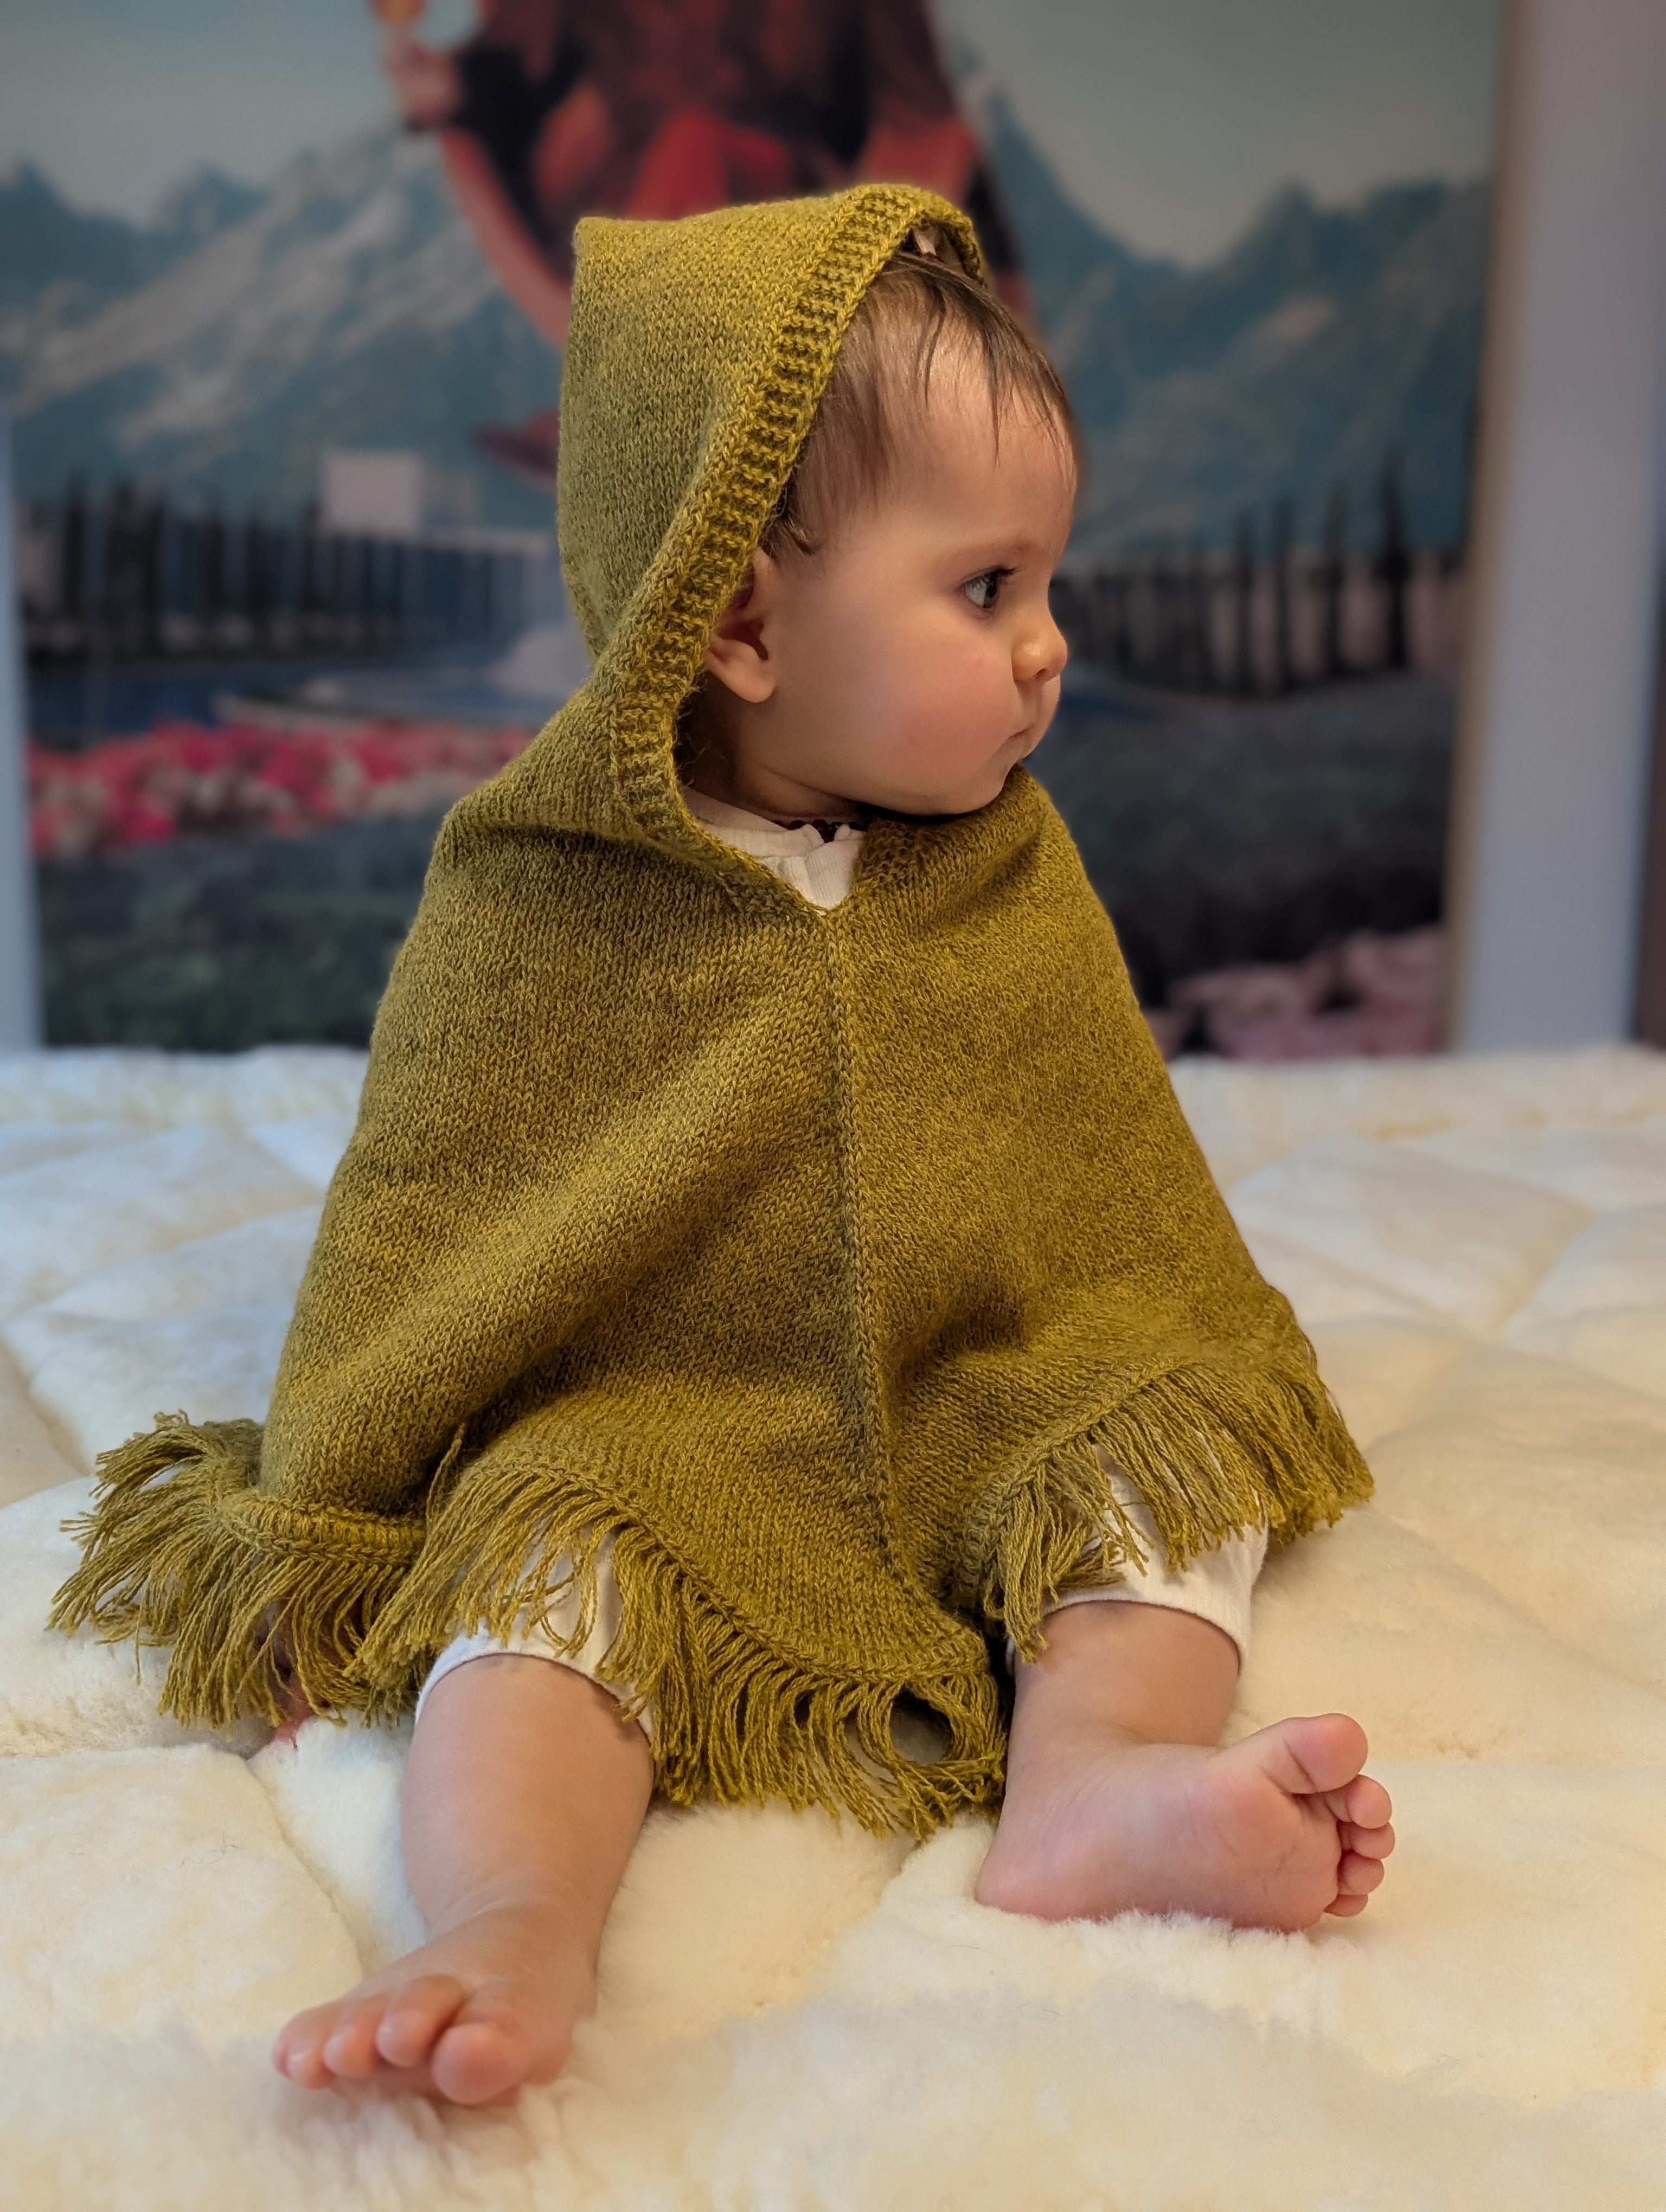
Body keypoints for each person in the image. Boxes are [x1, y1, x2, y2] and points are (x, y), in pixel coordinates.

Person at [53, 186, 1393, 2109]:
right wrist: (328, 1522)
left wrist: (1139, 1357)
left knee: (1163, 1461)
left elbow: (1112, 1198)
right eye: (988, 587)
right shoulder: (544, 900)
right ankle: (512, 1908)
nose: (1047, 651)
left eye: (1049, 586)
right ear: (746, 618)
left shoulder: (1008, 865)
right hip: (658, 1422)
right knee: (536, 1584)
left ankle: (1091, 1782)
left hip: (991, 1377)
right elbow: (426, 1222)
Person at [381, 0, 1027, 484]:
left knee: (696, 147)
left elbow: (928, 143)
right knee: (675, 152)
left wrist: (859, 319)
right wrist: (449, 97)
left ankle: (669, 400)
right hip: (656, 277)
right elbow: (507, 70)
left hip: (829, 263)